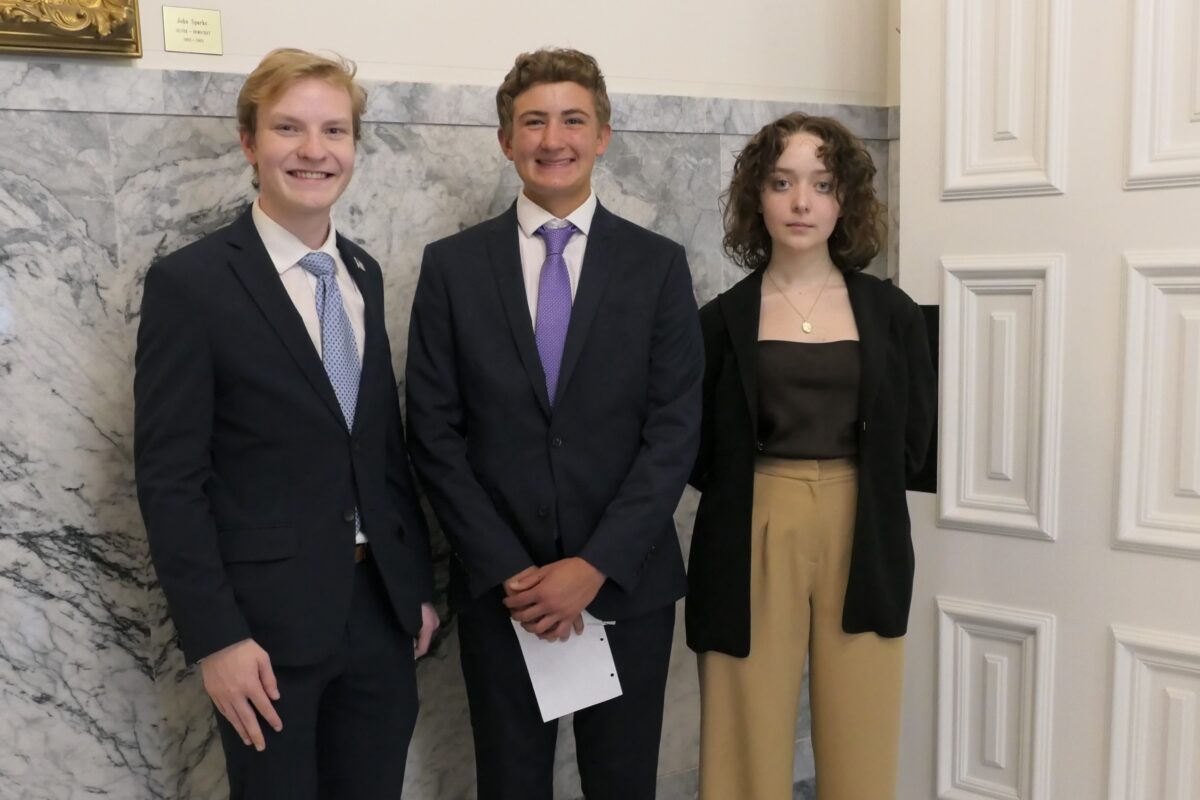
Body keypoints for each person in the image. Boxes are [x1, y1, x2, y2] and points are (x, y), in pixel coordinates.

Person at [134, 48, 437, 800]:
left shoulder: (363, 272)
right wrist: (217, 640)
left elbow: (380, 450)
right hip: (263, 634)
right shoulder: (191, 284)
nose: (313, 150)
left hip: (380, 616)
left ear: (354, 147)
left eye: (334, 130)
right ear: (249, 142)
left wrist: (417, 587)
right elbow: (170, 480)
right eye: (289, 128)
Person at [405, 47, 703, 800]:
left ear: (603, 134)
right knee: (510, 784)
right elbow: (434, 433)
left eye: (574, 119)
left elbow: (674, 432)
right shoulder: (452, 268)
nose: (553, 138)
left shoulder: (658, 266)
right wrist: (511, 571)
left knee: (622, 782)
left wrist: (594, 564)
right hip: (502, 588)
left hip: (625, 585)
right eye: (532, 121)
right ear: (506, 139)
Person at [686, 112, 936, 799]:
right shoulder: (719, 320)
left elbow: (912, 443)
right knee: (745, 733)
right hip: (751, 526)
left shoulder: (894, 315)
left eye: (822, 184)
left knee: (862, 735)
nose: (802, 202)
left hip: (866, 529)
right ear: (756, 198)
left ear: (845, 199)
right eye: (782, 182)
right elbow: (698, 450)